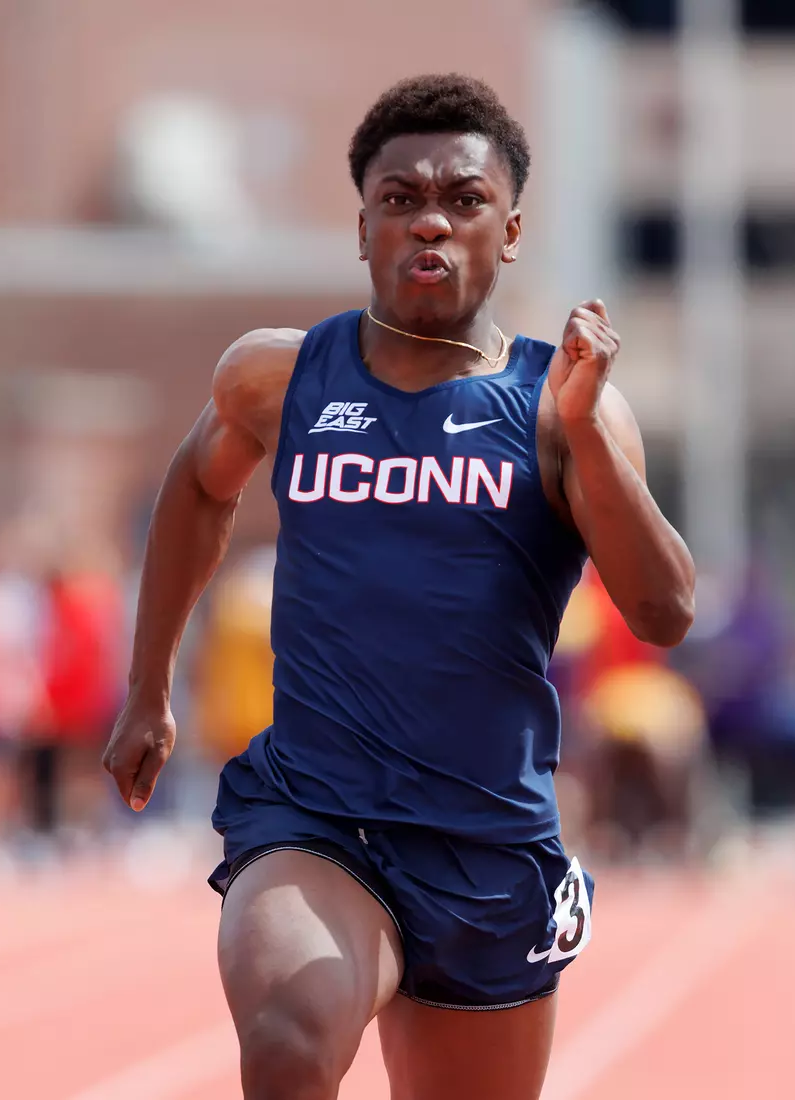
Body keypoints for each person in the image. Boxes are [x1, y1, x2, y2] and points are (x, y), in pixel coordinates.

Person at [103, 74, 695, 1099]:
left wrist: (593, 435)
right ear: (363, 226)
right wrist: (149, 683)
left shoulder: (563, 410)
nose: (430, 220)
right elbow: (198, 490)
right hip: (316, 813)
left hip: (488, 839)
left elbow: (664, 610)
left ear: (509, 231)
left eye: (462, 201)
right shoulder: (279, 376)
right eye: (400, 197)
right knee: (289, 1042)